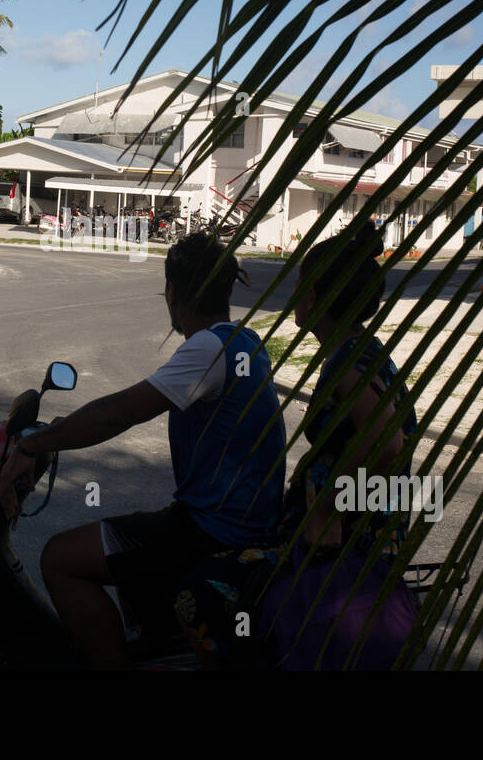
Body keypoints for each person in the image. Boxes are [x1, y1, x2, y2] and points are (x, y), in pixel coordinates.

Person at [0, 232, 287, 669]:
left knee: (60, 558)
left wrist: (36, 442)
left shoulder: (209, 348)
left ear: (172, 292)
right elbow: (133, 401)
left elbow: (123, 410)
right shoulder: (244, 342)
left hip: (214, 531)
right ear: (227, 289)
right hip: (235, 520)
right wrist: (62, 430)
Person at [174, 222, 421, 669]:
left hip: (340, 546)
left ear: (316, 297)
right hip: (354, 538)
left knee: (200, 589)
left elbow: (387, 440)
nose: (294, 293)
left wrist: (326, 511)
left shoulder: (346, 361)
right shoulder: (366, 350)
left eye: (301, 284)